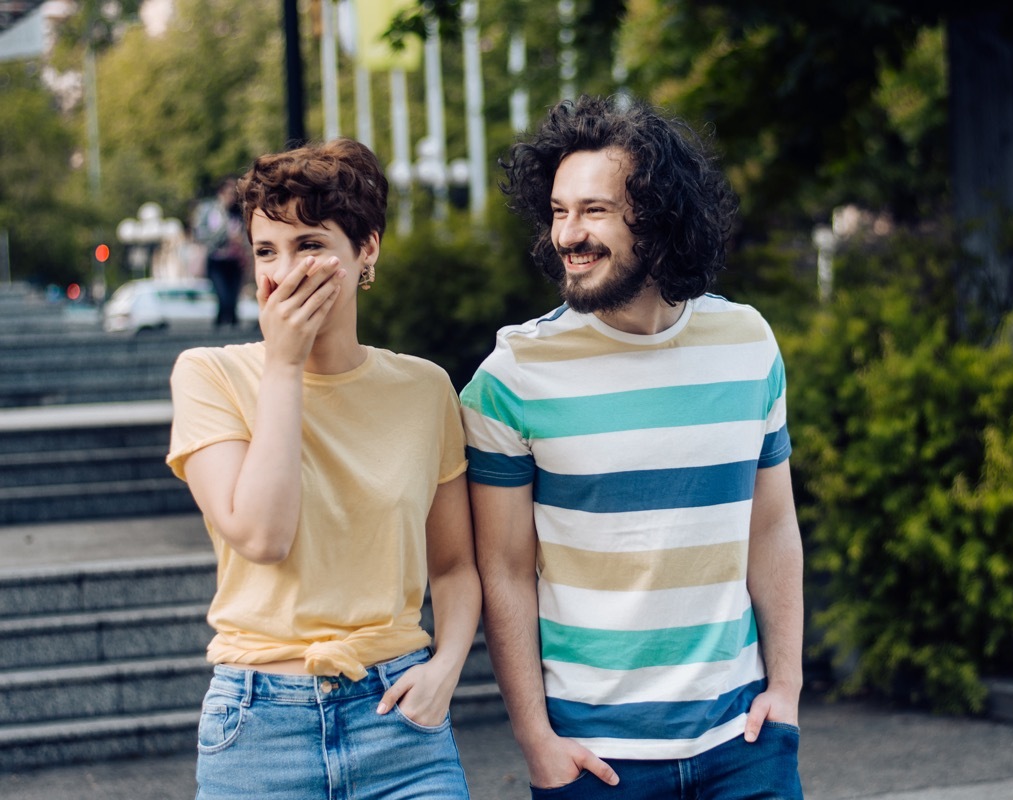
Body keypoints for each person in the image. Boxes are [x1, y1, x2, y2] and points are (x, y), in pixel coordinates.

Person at [460, 95, 806, 799]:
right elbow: (503, 571)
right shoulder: (511, 378)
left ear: (658, 217)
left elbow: (771, 527)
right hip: (594, 762)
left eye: (593, 211)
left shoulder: (748, 344)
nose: (567, 234)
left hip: (742, 743)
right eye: (558, 211)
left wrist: (788, 691)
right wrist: (536, 740)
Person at [167, 138, 479, 799]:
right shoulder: (210, 375)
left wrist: (447, 666)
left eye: (310, 244)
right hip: (258, 727)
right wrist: (283, 365)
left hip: (400, 720)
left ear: (365, 249)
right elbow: (262, 536)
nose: (284, 271)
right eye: (266, 251)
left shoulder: (426, 390)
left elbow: (454, 566)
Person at [194, 177, 249, 327]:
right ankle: (220, 330)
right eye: (229, 192)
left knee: (233, 299)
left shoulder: (238, 212)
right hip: (217, 259)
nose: (232, 197)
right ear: (221, 192)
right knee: (222, 297)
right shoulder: (209, 210)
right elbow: (201, 235)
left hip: (235, 260)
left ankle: (230, 331)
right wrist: (226, 232)